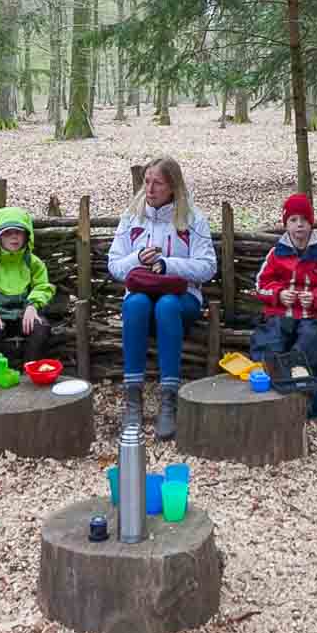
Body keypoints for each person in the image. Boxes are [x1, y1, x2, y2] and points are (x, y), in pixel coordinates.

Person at [109, 156, 219, 439]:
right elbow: (114, 265)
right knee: (134, 303)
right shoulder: (132, 218)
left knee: (167, 306)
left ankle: (168, 400)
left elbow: (207, 267)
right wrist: (137, 258)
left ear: (172, 186)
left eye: (157, 182)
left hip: (182, 299)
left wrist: (168, 265)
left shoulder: (192, 219)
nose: (150, 188)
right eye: (147, 181)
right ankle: (133, 400)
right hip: (142, 296)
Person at [248, 193, 317, 374]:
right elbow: (261, 285)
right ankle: (268, 371)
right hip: (280, 313)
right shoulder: (277, 254)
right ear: (286, 224)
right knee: (270, 338)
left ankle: (297, 371)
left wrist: (315, 298)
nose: (299, 224)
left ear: (311, 223)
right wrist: (279, 294)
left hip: (311, 316)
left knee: (311, 340)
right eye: (293, 219)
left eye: (304, 219)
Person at [0, 206, 59, 365]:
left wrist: (33, 305)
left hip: (24, 314)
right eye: (7, 233)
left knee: (40, 329)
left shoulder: (34, 263)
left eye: (19, 232)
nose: (14, 237)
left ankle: (30, 373)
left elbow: (42, 287)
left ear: (27, 235)